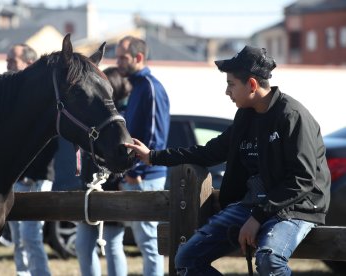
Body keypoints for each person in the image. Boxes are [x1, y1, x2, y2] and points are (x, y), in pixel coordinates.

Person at [125, 45, 331, 276]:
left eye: (231, 84)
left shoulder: (292, 117)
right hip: (253, 207)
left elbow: (301, 180)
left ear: (252, 85)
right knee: (186, 259)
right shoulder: (246, 115)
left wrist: (258, 217)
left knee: (269, 260)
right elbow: (209, 152)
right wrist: (153, 156)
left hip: (295, 208)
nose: (227, 92)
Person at [116, 36, 171, 276]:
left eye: (122, 57)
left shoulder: (149, 86)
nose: (117, 62)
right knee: (144, 242)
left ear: (138, 58)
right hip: (137, 174)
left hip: (144, 175)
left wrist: (135, 173)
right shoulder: (136, 86)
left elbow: (155, 137)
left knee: (149, 244)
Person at [75, 66, 132, 276]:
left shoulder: (122, 119)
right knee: (82, 245)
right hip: (91, 186)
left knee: (112, 244)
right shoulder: (99, 118)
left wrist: (121, 180)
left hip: (112, 185)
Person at [6, 43, 57, 276]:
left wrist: (29, 171)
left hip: (37, 177)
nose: (6, 66)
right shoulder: (11, 96)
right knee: (17, 238)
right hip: (16, 177)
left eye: (11, 61)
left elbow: (48, 141)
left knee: (31, 236)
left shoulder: (42, 96)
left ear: (29, 64)